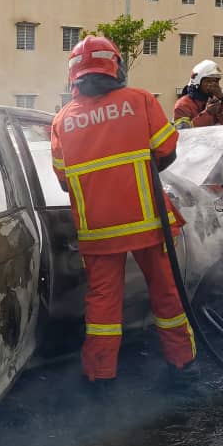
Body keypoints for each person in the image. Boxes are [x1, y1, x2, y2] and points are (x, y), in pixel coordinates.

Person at [52, 36, 198, 393]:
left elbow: (63, 182)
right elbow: (166, 151)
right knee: (166, 294)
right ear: (115, 65)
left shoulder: (61, 121)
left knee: (102, 305)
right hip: (148, 222)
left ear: (74, 75)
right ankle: (182, 365)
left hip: (98, 231)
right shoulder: (141, 101)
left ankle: (100, 376)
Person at [173, 60, 223, 129]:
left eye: (215, 81)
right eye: (208, 81)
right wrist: (208, 113)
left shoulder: (218, 101)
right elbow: (183, 131)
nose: (213, 84)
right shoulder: (183, 104)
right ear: (197, 82)